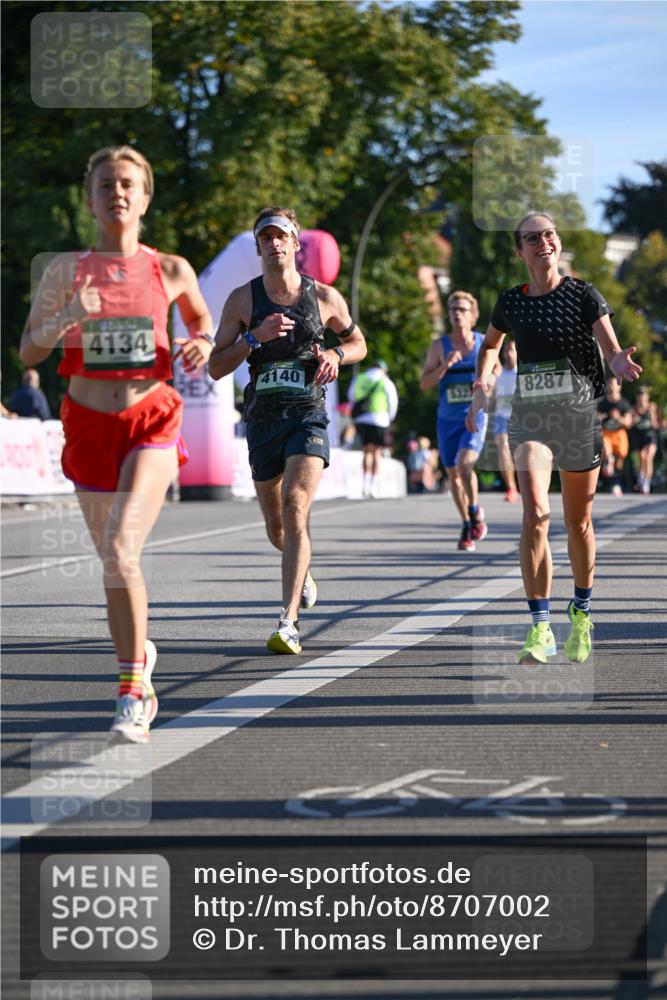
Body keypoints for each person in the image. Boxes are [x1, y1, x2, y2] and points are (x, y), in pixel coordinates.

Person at [20, 145, 213, 742]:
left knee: (122, 548)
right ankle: (141, 661)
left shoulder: (171, 269)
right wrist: (69, 315)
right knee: (112, 561)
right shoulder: (65, 270)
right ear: (90, 199)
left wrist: (202, 345)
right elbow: (29, 350)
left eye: (128, 184)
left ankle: (132, 691)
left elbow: (204, 323)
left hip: (149, 418)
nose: (117, 194)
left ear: (145, 197)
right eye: (105, 185)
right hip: (86, 423)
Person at [467, 211, 642, 664]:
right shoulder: (511, 302)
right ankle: (540, 626)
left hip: (579, 419)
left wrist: (619, 362)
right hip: (531, 420)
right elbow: (488, 345)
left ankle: (581, 612)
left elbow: (609, 346)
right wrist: (481, 385)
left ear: (557, 243)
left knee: (578, 522)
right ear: (520, 250)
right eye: (532, 237)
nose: (543, 241)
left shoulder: (583, 294)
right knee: (536, 513)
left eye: (548, 234)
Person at [208, 206, 367, 654]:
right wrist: (253, 337)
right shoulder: (242, 300)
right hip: (262, 421)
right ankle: (303, 570)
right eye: (266, 237)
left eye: (282, 236)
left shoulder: (325, 298)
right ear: (257, 247)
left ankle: (288, 622)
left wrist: (337, 355)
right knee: (277, 526)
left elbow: (358, 342)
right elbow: (215, 367)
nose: (275, 243)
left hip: (307, 416)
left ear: (296, 244)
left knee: (296, 505)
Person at [419, 290, 494, 551]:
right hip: (446, 419)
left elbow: (494, 374)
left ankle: (474, 512)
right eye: (453, 310)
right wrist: (444, 367)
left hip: (474, 416)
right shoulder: (440, 346)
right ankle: (466, 524)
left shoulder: (483, 343)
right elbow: (424, 383)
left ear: (473, 316)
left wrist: (484, 387)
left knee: (465, 466)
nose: (457, 314)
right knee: (453, 475)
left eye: (462, 309)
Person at [348, 359, 399, 498]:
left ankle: (365, 484)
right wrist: (391, 418)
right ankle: (374, 485)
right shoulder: (385, 381)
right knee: (377, 452)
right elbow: (392, 401)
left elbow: (351, 396)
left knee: (367, 451)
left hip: (362, 419)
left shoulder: (360, 378)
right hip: (380, 419)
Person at [493, 339, 519, 502]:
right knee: (503, 447)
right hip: (501, 417)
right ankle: (511, 487)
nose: (508, 353)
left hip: (521, 417)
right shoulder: (498, 373)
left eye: (512, 350)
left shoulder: (522, 373)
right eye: (506, 350)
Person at [597, 376, 632, 496]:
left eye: (614, 384)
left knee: (620, 458)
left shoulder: (624, 404)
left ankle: (615, 482)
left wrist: (619, 418)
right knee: (607, 450)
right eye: (609, 384)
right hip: (606, 433)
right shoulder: (602, 404)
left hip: (619, 433)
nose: (612, 387)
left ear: (619, 387)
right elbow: (594, 420)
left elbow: (628, 423)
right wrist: (598, 418)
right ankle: (608, 460)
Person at [630, 385, 659, 494]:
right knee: (641, 457)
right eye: (640, 395)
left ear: (647, 396)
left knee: (648, 457)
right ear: (637, 397)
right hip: (638, 436)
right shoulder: (633, 409)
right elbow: (630, 424)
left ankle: (647, 482)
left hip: (650, 436)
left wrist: (652, 417)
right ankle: (641, 478)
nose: (642, 397)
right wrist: (634, 420)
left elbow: (655, 424)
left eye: (644, 395)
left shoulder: (652, 407)